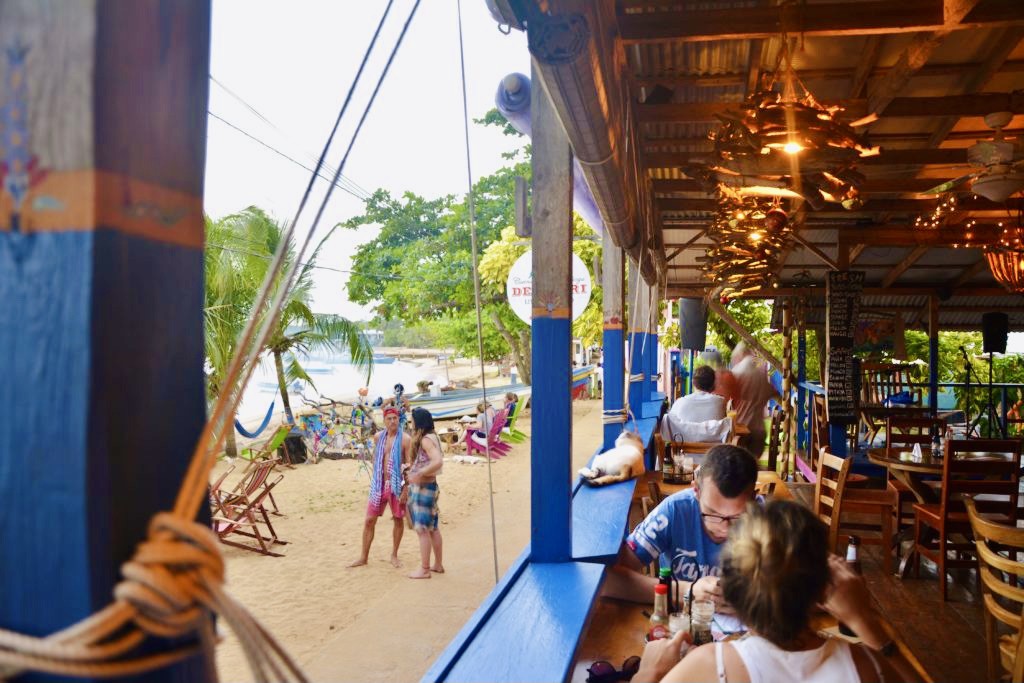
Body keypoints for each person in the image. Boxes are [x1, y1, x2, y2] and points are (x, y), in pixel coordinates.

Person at [636, 500, 917, 683]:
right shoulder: (867, 667)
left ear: (732, 586)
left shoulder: (708, 666)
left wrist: (648, 673)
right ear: (823, 588)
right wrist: (864, 621)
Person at [603, 444, 759, 609]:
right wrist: (688, 591)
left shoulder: (766, 524)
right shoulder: (675, 510)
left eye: (737, 517)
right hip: (678, 622)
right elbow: (609, 581)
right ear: (696, 491)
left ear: (754, 499)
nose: (724, 528)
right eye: (712, 513)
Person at [348, 406, 412, 569]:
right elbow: (376, 458)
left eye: (395, 418)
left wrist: (406, 489)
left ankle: (394, 555)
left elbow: (408, 465)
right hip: (379, 484)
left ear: (399, 420)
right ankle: (363, 557)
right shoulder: (378, 437)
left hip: (397, 485)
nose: (392, 421)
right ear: (384, 421)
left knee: (398, 520)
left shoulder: (405, 439)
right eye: (389, 419)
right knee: (369, 520)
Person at [404, 407, 445, 579]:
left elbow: (438, 461)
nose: (410, 423)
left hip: (424, 490)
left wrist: (419, 473)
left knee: (422, 530)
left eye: (411, 420)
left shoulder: (426, 440)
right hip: (431, 487)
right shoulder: (432, 436)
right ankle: (437, 564)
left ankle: (425, 569)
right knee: (433, 528)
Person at [731, 342, 780, 459]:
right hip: (759, 431)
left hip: (740, 430)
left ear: (739, 355)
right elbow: (776, 395)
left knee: (738, 466)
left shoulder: (736, 373)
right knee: (752, 466)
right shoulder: (761, 375)